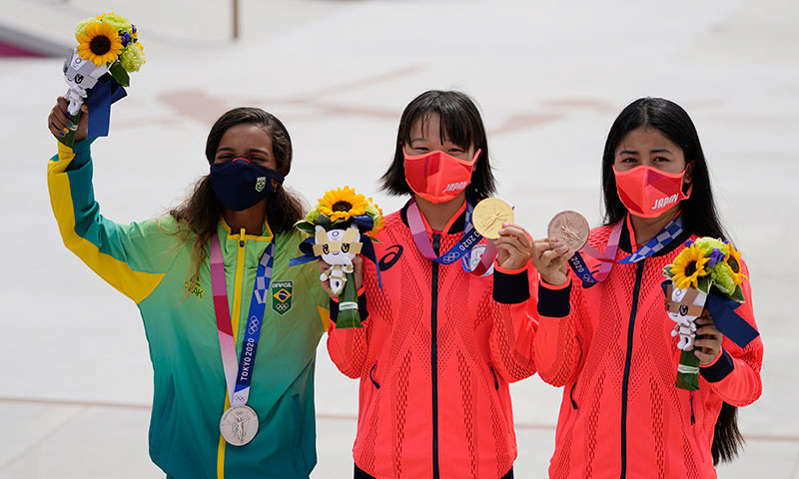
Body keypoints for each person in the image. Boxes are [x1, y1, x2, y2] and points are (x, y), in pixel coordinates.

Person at [46, 100, 329, 479]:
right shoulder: (171, 245)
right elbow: (85, 232)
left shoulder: (310, 255)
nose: (239, 165)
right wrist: (74, 149)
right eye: (226, 156)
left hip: (278, 467)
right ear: (211, 166)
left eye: (255, 157)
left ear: (280, 170)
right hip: (187, 465)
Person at [531, 97, 763, 478]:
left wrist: (716, 361)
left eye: (659, 159)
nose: (644, 173)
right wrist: (554, 288)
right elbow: (556, 371)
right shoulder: (584, 255)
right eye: (630, 160)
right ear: (613, 169)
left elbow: (748, 383)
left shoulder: (716, 265)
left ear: (687, 172)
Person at [324, 90, 537, 479]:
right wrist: (346, 298)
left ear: (477, 156)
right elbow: (349, 362)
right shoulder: (369, 242)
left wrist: (510, 279)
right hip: (384, 460)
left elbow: (516, 365)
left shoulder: (503, 247)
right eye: (422, 148)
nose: (437, 161)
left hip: (481, 463)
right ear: (402, 152)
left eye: (454, 149)